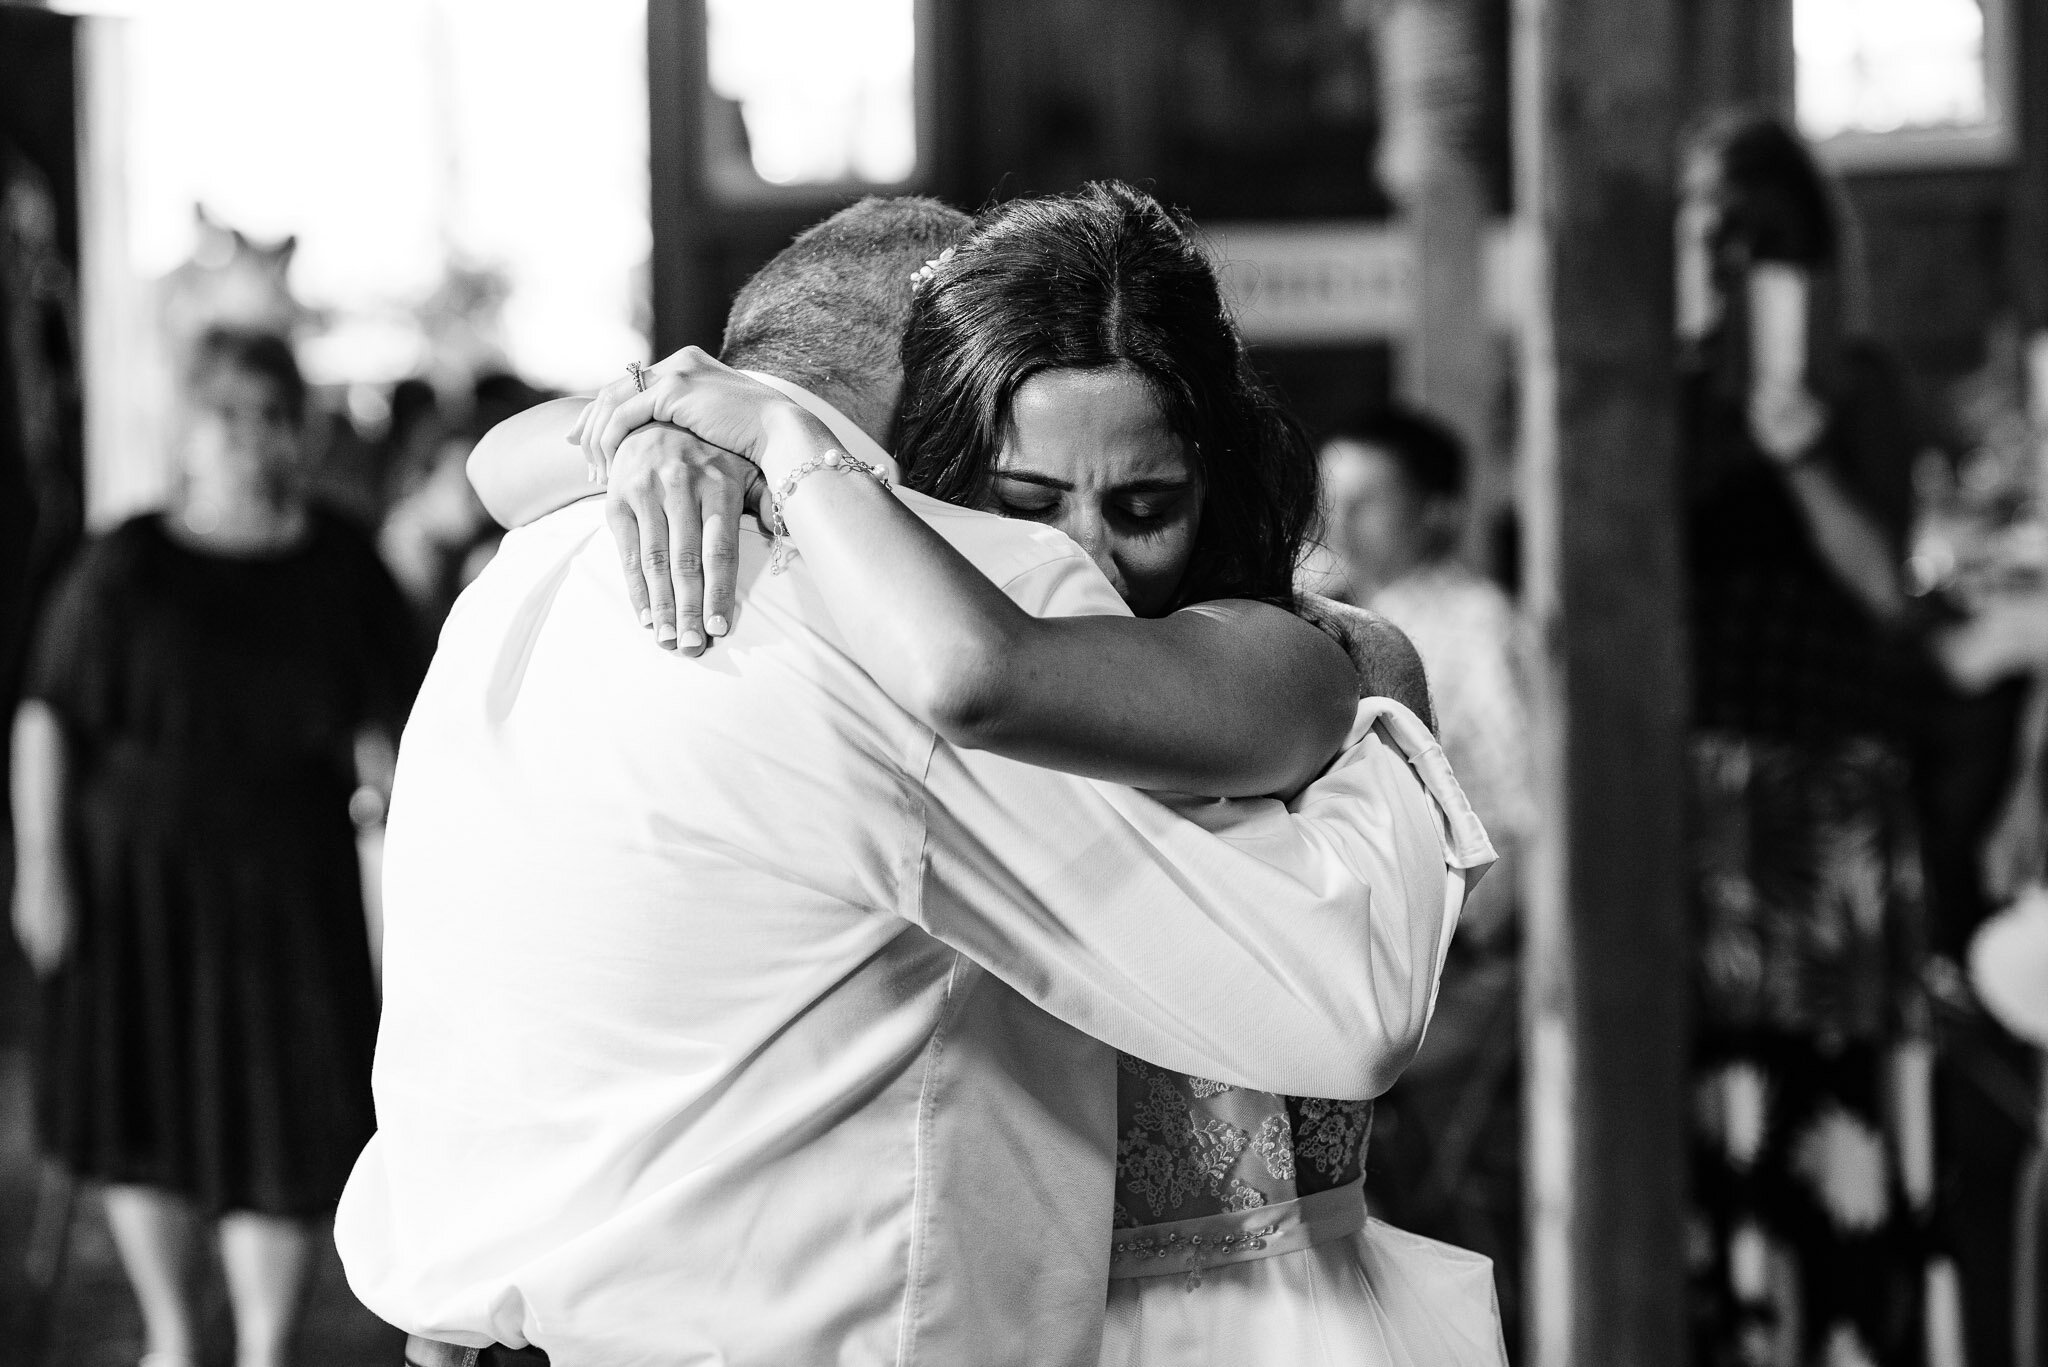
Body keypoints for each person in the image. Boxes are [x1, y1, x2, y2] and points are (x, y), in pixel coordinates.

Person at [343, 192, 1496, 1367]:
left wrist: (696, 430)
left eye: (1142, 506)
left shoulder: (531, 571)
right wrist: (729, 440)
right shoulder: (903, 607)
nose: (1075, 551)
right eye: (1021, 497)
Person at [10, 328, 420, 1367]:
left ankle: (267, 1345)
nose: (250, 437)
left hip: (291, 885)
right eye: (226, 415)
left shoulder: (340, 560)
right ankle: (174, 1334)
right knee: (134, 1092)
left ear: (300, 431)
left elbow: (405, 730)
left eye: (271, 414)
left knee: (285, 1108)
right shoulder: (127, 561)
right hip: (132, 885)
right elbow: (47, 716)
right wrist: (42, 870)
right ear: (186, 433)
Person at [1676, 112, 1952, 1366]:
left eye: (1755, 230)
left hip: (1825, 782)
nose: (1733, 254)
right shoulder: (1649, 394)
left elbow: (1886, 591)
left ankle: (1844, 1337)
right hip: (1695, 791)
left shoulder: (1864, 382)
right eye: (1708, 227)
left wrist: (1798, 453)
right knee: (1711, 1096)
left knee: (1832, 1098)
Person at [1316, 404, 1535, 1350]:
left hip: (1455, 963)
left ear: (1439, 512)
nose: (1342, 522)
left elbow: (1524, 817)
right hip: (1359, 956)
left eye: (1370, 500)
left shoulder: (1474, 625)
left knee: (1418, 1189)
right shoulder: (1328, 616)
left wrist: (1456, 946)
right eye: (1333, 498)